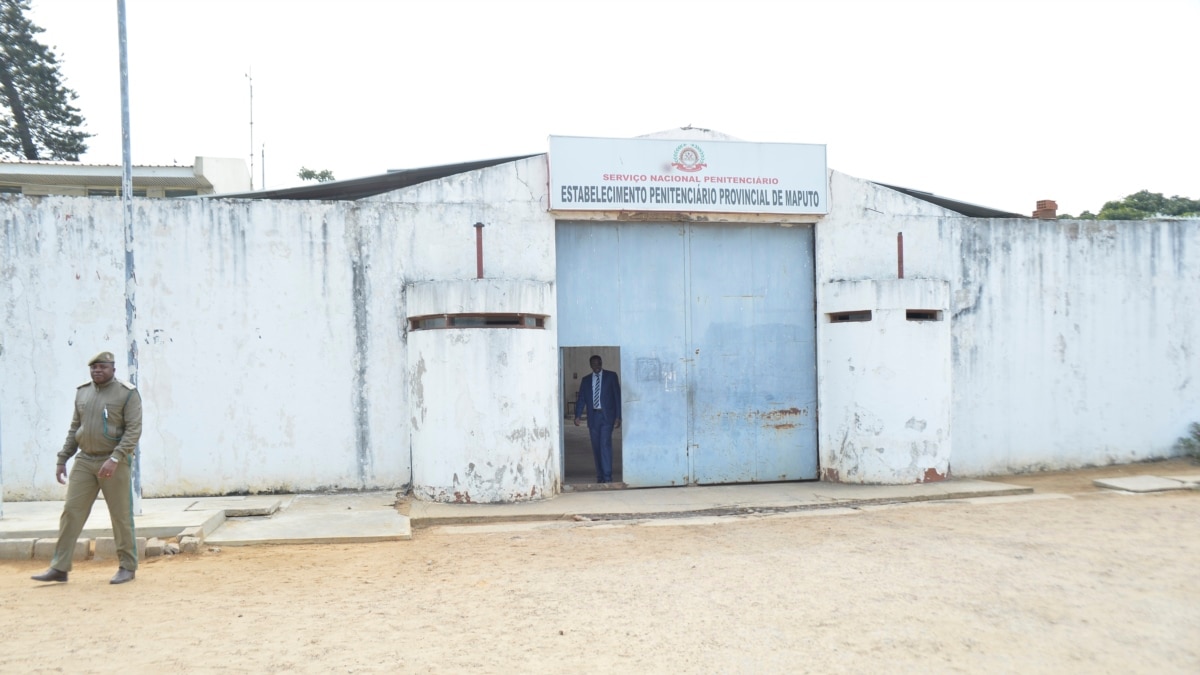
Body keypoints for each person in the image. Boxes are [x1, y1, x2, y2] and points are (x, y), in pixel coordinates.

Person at [31, 351, 142, 585]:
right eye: (94, 367)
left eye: (103, 367)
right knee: (71, 511)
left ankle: (127, 566)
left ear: (113, 368)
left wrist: (116, 458)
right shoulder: (83, 392)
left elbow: (133, 430)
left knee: (120, 516)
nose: (97, 371)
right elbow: (75, 428)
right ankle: (59, 567)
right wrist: (62, 459)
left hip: (114, 461)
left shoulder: (127, 393)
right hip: (84, 460)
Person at [574, 355, 621, 483]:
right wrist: (577, 415)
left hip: (607, 417)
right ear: (591, 365)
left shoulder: (611, 377)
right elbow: (582, 399)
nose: (597, 366)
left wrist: (618, 417)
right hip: (593, 417)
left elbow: (617, 397)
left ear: (601, 363)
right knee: (596, 447)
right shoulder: (586, 380)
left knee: (605, 445)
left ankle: (607, 476)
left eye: (598, 363)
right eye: (594, 364)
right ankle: (600, 476)